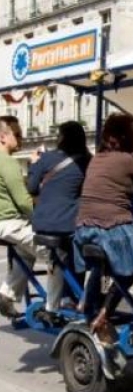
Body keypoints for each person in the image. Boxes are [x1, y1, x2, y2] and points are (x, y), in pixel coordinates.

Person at [73, 113, 133, 344]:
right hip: (111, 227)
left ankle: (90, 305)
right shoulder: (126, 159)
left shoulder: (97, 158)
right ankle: (111, 311)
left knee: (106, 270)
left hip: (84, 228)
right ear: (123, 137)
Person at [27, 121, 92, 321]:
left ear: (61, 138)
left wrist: (34, 164)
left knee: (61, 257)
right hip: (68, 224)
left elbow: (31, 187)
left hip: (42, 223)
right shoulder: (88, 162)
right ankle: (77, 297)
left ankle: (61, 300)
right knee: (79, 253)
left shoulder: (47, 158)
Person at [0, 116, 52, 318]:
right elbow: (23, 201)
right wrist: (43, 219)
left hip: (4, 224)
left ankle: (7, 294)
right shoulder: (8, 163)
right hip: (11, 223)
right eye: (17, 135)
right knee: (57, 253)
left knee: (27, 253)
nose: (20, 139)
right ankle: (56, 304)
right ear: (3, 137)